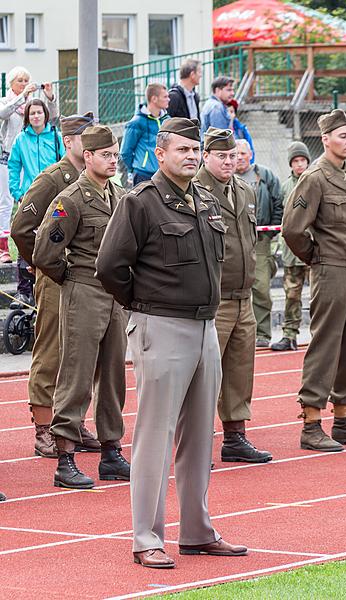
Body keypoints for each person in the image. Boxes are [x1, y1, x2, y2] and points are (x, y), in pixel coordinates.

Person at [96, 117, 247, 569]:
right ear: (159, 154)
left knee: (200, 435)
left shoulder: (204, 198)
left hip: (205, 328)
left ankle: (197, 531)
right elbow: (109, 266)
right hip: (161, 326)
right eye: (182, 149)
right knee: (155, 436)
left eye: (194, 149)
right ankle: (146, 536)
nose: (191, 156)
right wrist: (143, 304)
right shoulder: (141, 202)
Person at [32, 125, 130, 489]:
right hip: (84, 290)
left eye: (115, 154)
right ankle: (65, 457)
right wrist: (70, 280)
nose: (112, 160)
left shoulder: (119, 195)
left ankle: (111, 451)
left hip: (114, 294)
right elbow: (46, 252)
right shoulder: (70, 200)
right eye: (106, 155)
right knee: (76, 375)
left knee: (113, 376)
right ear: (87, 156)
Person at [282, 109, 346, 452]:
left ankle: (344, 418)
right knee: (326, 346)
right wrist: (316, 257)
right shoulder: (314, 177)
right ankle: (311, 423)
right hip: (332, 269)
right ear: (325, 139)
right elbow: (292, 229)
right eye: (343, 136)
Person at [11, 112, 99, 459]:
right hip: (56, 278)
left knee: (80, 357)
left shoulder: (94, 179)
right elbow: (21, 227)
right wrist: (46, 264)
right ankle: (44, 428)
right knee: (51, 353)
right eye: (85, 138)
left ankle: (72, 422)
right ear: (69, 142)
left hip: (85, 281)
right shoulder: (54, 179)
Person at [194, 128, 272, 464]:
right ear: (205, 155)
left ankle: (235, 436)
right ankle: (195, 444)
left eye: (233, 156)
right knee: (203, 376)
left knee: (240, 370)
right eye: (221, 156)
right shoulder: (195, 191)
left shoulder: (244, 189)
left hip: (243, 297)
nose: (229, 161)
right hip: (214, 298)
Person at [8, 98, 64, 308]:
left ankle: (50, 280)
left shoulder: (57, 138)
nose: (36, 116)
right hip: (30, 198)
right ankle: (24, 290)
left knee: (53, 235)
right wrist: (18, 191)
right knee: (24, 236)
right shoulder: (21, 139)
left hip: (54, 197)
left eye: (39, 112)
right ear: (27, 117)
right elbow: (14, 166)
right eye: (32, 113)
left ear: (45, 115)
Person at [0, 66, 57, 263]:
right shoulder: (9, 101)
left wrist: (50, 98)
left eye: (27, 80)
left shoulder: (33, 107)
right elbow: (3, 113)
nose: (24, 84)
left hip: (31, 155)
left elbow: (50, 118)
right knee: (7, 201)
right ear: (11, 83)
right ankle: (4, 246)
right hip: (9, 153)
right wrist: (22, 96)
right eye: (20, 80)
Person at [235, 139, 283, 348]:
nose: (239, 158)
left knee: (261, 287)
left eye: (243, 153)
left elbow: (278, 202)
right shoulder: (226, 177)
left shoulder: (264, 175)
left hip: (260, 239)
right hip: (233, 240)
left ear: (250, 154)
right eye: (235, 154)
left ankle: (263, 333)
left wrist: (272, 230)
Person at [271, 142, 311, 352]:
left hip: (313, 249)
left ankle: (318, 334)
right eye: (295, 161)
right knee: (291, 296)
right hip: (291, 251)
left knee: (318, 296)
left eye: (302, 160)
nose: (299, 165)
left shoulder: (315, 182)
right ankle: (289, 335)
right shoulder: (285, 187)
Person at [120, 83, 170, 186]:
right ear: (154, 99)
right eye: (165, 97)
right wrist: (136, 168)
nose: (168, 99)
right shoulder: (136, 123)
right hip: (143, 175)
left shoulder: (168, 120)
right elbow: (125, 152)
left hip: (164, 174)